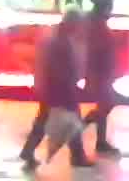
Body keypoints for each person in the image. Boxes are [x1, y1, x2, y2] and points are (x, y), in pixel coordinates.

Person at [22, 10, 88, 170]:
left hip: (52, 88)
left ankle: (28, 151)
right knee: (73, 120)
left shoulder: (56, 37)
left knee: (44, 120)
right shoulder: (61, 41)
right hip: (60, 89)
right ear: (72, 23)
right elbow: (61, 68)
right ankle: (77, 156)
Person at [76, 0, 124, 163]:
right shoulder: (95, 26)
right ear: (104, 7)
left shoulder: (93, 23)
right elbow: (96, 51)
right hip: (98, 74)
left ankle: (100, 141)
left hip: (100, 73)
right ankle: (78, 130)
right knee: (107, 104)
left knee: (105, 105)